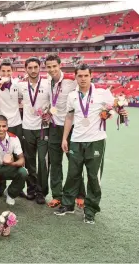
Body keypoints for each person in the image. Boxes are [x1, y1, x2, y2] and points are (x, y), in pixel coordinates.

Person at [55, 64, 129, 224]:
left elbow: (116, 107)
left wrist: (117, 112)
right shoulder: (72, 96)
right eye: (79, 76)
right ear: (75, 77)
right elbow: (69, 117)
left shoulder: (102, 93)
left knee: (93, 177)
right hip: (76, 140)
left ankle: (90, 210)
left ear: (91, 76)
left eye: (85, 76)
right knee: (73, 174)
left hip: (96, 141)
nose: (82, 79)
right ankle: (68, 205)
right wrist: (64, 138)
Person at [44, 54, 86, 208]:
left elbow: (85, 89)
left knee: (74, 163)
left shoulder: (71, 80)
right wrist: (48, 112)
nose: (52, 69)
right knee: (55, 164)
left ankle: (80, 194)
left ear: (60, 65)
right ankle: (57, 195)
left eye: (54, 66)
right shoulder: (48, 83)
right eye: (49, 66)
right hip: (54, 127)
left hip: (71, 128)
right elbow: (52, 103)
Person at [0, 59, 24, 197]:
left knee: (16, 156)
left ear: (12, 72)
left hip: (16, 124)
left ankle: (17, 188)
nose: (6, 73)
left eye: (8, 71)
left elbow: (23, 98)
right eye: (3, 71)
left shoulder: (18, 85)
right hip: (0, 126)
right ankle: (0, 185)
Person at [17, 57, 51, 204]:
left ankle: (41, 192)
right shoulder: (21, 86)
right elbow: (17, 102)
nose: (33, 70)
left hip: (44, 128)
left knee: (42, 161)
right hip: (27, 128)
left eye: (35, 67)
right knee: (30, 161)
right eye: (29, 67)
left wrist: (50, 113)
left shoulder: (48, 84)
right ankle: (31, 189)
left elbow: (54, 103)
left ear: (40, 68)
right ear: (26, 69)